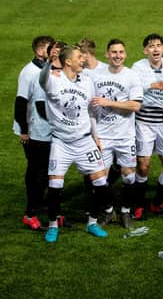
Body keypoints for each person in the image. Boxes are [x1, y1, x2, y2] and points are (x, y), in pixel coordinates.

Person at [39, 44, 111, 242]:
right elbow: (42, 80)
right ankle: (53, 226)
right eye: (79, 56)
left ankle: (93, 223)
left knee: (101, 182)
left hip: (84, 140)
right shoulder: (54, 80)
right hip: (61, 142)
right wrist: (47, 63)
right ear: (68, 61)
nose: (83, 59)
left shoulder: (87, 81)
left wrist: (96, 137)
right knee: (55, 185)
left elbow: (90, 112)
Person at [91, 39, 143, 228]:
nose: (117, 56)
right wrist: (94, 135)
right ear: (107, 54)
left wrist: (109, 103)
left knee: (129, 175)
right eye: (114, 52)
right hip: (103, 135)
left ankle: (125, 211)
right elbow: (90, 106)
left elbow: (135, 105)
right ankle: (107, 210)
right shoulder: (95, 76)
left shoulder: (132, 76)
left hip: (125, 135)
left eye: (121, 52)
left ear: (125, 54)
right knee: (100, 178)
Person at [131, 34, 163, 219]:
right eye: (151, 46)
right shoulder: (138, 67)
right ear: (145, 50)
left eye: (159, 45)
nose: (156, 49)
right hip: (144, 122)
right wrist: (150, 85)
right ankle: (137, 205)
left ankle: (157, 203)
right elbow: (132, 87)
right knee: (143, 167)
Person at [13, 35, 55, 230]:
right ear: (40, 51)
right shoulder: (28, 72)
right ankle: (30, 212)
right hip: (32, 131)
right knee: (36, 171)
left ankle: (39, 203)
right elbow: (21, 102)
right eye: (50, 48)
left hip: (47, 130)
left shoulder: (49, 70)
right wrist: (23, 131)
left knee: (46, 170)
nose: (55, 51)